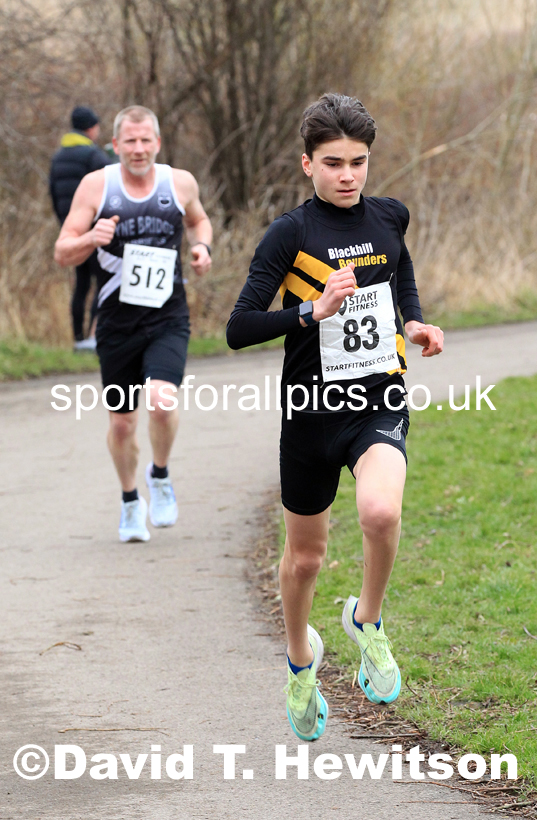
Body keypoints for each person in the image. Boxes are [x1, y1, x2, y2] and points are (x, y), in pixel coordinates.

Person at [226, 93, 443, 741]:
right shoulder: (290, 234)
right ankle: (300, 664)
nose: (347, 175)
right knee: (305, 560)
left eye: (358, 162)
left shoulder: (389, 217)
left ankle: (367, 622)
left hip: (377, 395)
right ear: (306, 164)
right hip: (310, 413)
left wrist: (412, 320)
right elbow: (237, 328)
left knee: (380, 512)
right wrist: (309, 313)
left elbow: (397, 272)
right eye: (332, 163)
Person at [54, 105, 212, 542]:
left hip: (167, 317)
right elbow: (62, 250)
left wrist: (202, 248)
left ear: (157, 143)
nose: (138, 149)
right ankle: (129, 501)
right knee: (122, 423)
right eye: (130, 141)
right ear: (116, 145)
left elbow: (199, 220)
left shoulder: (178, 182)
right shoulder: (96, 186)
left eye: (146, 141)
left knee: (162, 401)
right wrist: (91, 238)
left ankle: (159, 475)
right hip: (117, 323)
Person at [49, 106, 111, 351]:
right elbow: (113, 184)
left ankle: (77, 338)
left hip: (71, 231)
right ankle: (93, 338)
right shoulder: (93, 156)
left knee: (81, 284)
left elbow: (53, 194)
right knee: (101, 282)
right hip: (96, 232)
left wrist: (66, 226)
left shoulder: (58, 157)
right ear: (91, 128)